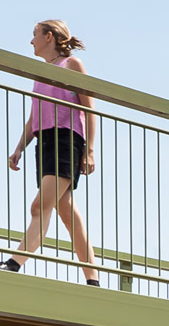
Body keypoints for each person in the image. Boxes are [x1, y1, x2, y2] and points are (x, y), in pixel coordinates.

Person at [6, 19, 100, 283]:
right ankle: (93, 279)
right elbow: (33, 117)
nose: (31, 40)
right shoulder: (40, 74)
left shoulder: (72, 65)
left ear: (49, 37)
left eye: (35, 34)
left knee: (39, 207)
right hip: (44, 142)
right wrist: (19, 147)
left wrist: (89, 151)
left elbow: (89, 109)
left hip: (66, 141)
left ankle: (13, 263)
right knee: (67, 214)